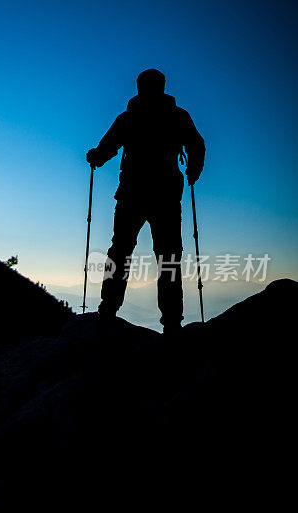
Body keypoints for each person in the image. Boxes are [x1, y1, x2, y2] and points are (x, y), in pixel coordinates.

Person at [86, 69, 205, 333]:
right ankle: (172, 321)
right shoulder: (178, 116)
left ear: (139, 88)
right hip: (166, 195)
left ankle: (108, 308)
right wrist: (194, 170)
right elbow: (197, 145)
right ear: (163, 87)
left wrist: (96, 156)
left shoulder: (129, 117)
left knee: (121, 250)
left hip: (132, 192)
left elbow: (108, 146)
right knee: (169, 256)